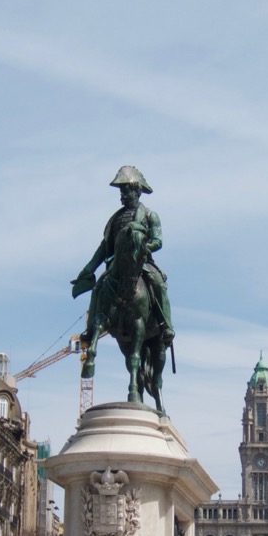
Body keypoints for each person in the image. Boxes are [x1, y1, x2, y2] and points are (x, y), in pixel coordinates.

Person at [72, 167, 174, 391]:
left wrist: (143, 247)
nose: (123, 195)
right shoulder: (115, 220)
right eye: (121, 191)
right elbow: (103, 248)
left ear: (137, 191)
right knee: (99, 287)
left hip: (142, 262)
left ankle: (166, 324)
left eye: (126, 190)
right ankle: (91, 330)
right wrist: (88, 269)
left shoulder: (149, 215)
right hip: (117, 267)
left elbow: (158, 241)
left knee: (158, 283)